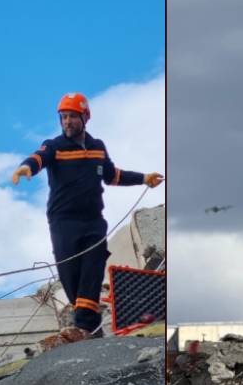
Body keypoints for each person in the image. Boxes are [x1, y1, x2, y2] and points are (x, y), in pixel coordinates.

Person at [11, 92, 163, 344]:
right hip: (63, 222)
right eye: (63, 117)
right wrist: (26, 167)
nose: (67, 122)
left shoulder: (97, 147)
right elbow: (39, 157)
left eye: (72, 116)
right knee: (70, 276)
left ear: (85, 117)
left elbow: (112, 175)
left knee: (92, 268)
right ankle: (89, 327)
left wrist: (143, 178)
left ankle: (83, 325)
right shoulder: (55, 146)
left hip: (93, 221)